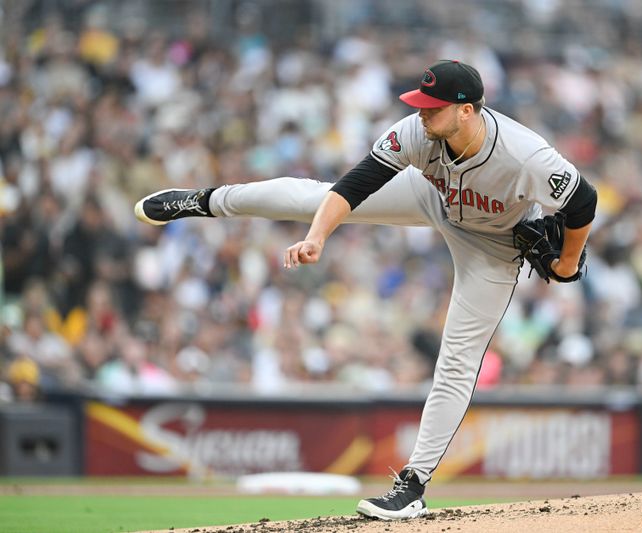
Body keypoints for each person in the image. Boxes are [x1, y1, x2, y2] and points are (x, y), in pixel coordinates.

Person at [134, 60, 597, 520]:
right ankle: (202, 200)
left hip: (495, 244)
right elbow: (353, 186)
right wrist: (318, 236)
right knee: (312, 197)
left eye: (433, 108)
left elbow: (583, 200)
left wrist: (568, 261)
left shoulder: (524, 154)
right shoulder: (417, 133)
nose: (422, 114)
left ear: (467, 111)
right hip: (432, 195)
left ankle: (412, 486)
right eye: (420, 104)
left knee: (458, 359)